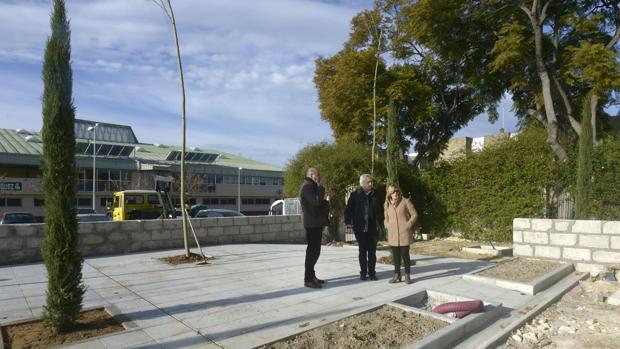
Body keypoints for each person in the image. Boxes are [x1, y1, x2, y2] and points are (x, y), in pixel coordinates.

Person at [299, 168, 330, 289]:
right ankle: (308, 279)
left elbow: (316, 203)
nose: (319, 176)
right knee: (312, 252)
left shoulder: (311, 186)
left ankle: (312, 276)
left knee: (315, 251)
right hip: (311, 224)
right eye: (318, 174)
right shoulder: (307, 187)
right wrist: (321, 188)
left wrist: (325, 203)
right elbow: (316, 201)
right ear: (312, 175)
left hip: (315, 223)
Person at [345, 174, 379, 281]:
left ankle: (372, 273)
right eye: (369, 182)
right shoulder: (355, 195)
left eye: (371, 181)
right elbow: (348, 209)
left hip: (372, 228)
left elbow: (381, 210)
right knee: (362, 251)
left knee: (372, 252)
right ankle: (363, 273)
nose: (371, 183)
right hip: (360, 228)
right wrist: (348, 222)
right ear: (363, 183)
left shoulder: (376, 194)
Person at [384, 185, 418, 284]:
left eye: (397, 192)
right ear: (389, 193)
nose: (396, 194)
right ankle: (397, 275)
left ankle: (407, 275)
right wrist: (387, 224)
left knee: (405, 255)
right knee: (396, 256)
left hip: (404, 233)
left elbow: (414, 214)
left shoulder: (405, 201)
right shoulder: (386, 204)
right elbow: (385, 217)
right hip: (393, 234)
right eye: (394, 192)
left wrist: (408, 224)